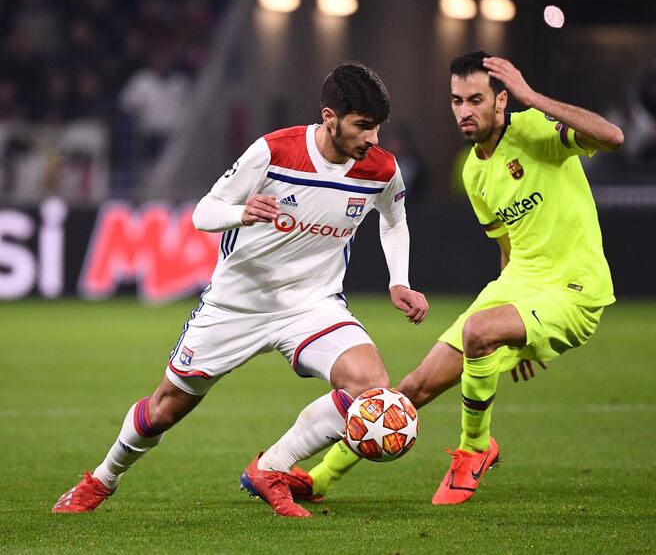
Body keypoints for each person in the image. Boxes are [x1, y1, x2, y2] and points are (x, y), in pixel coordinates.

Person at [51, 62, 429, 518]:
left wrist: (400, 281)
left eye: (377, 128)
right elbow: (203, 213)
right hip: (237, 305)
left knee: (370, 385)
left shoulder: (381, 168)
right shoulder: (274, 151)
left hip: (312, 303)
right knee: (166, 408)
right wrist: (241, 213)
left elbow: (395, 219)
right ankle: (101, 479)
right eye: (363, 126)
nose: (373, 138)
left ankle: (271, 468)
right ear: (330, 117)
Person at [294, 51, 623, 505]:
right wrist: (517, 328)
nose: (464, 111)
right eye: (456, 100)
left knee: (478, 330)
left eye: (475, 99)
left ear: (501, 101)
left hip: (575, 290)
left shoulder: (535, 131)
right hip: (520, 288)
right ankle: (319, 479)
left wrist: (532, 97)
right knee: (411, 389)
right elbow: (507, 248)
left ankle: (474, 449)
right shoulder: (473, 170)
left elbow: (612, 136)